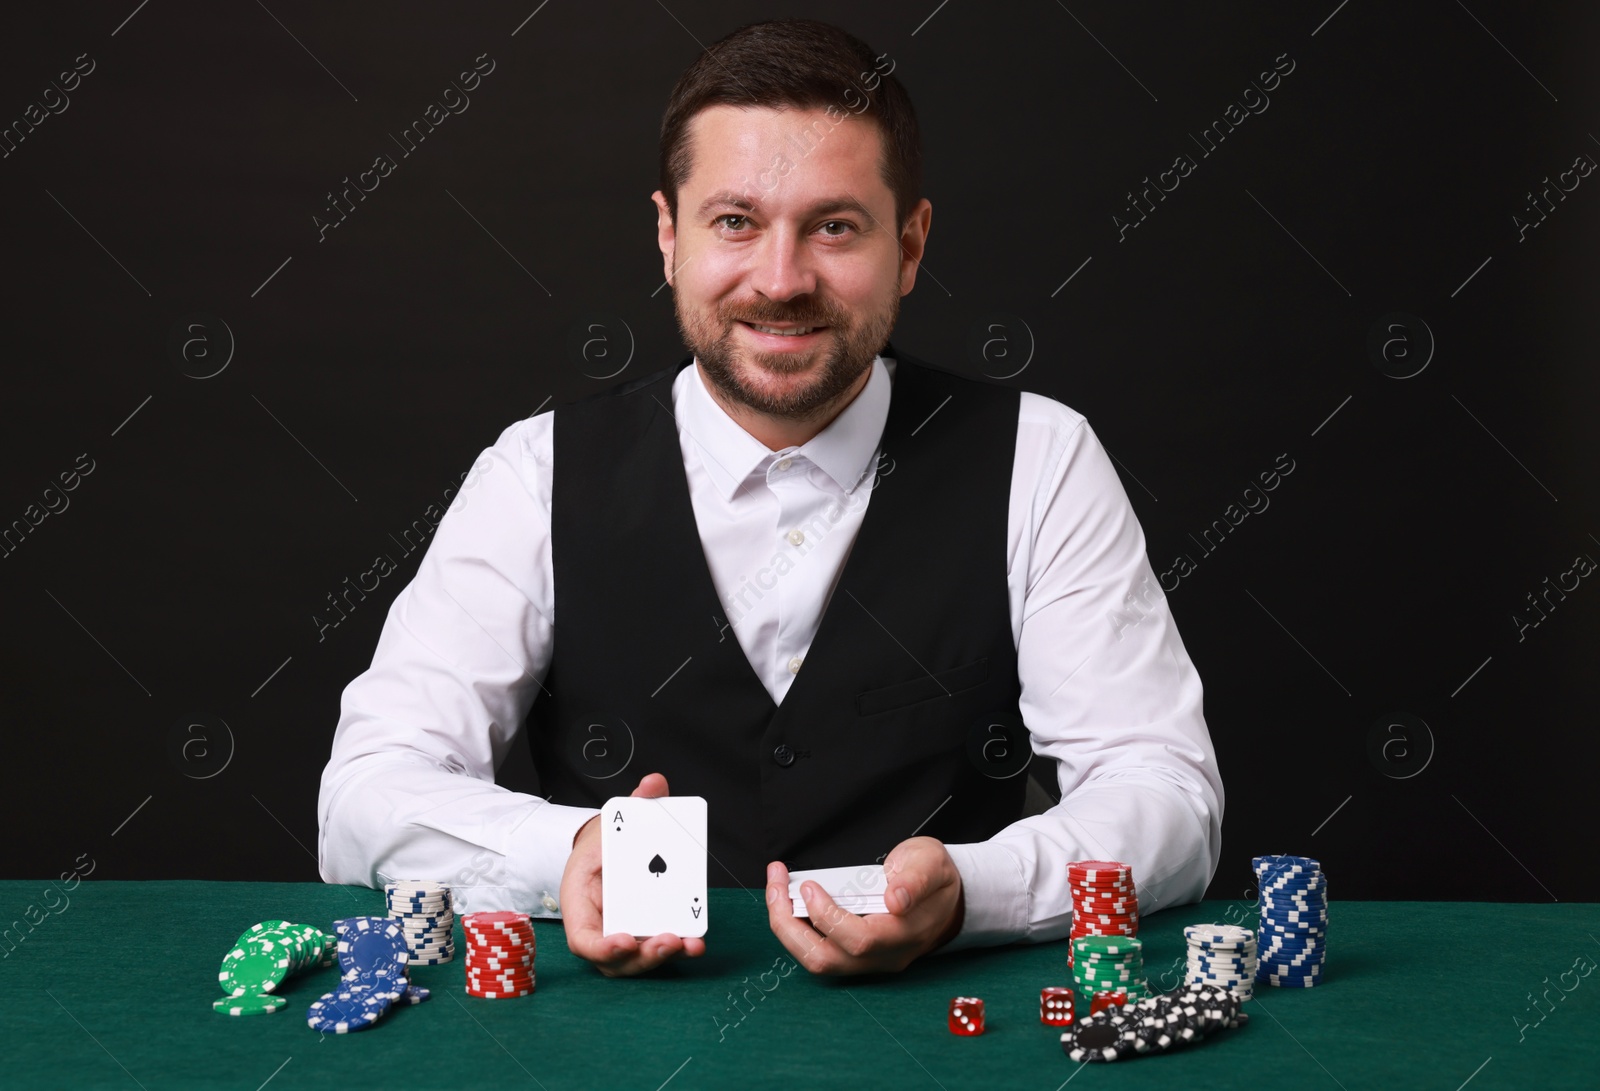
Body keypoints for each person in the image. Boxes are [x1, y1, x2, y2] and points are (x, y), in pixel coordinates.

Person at [317, 18, 1222, 979]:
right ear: (670, 237)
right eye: (735, 221)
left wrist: (974, 887)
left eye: (834, 226)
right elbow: (366, 794)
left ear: (910, 246)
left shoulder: (1039, 457)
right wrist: (568, 856)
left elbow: (1166, 792)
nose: (781, 281)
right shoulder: (534, 473)